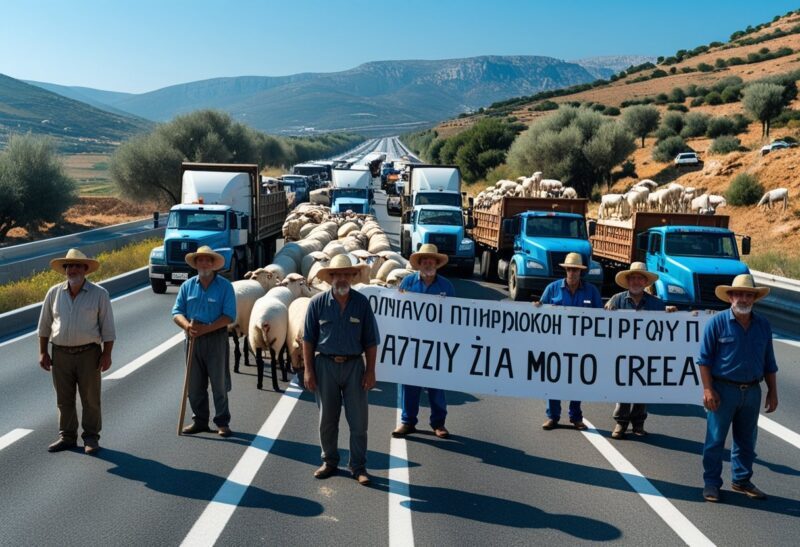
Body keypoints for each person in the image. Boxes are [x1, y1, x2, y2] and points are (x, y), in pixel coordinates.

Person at [698, 274, 778, 503]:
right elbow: (704, 360)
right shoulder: (717, 323)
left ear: (754, 298)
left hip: (752, 391)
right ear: (730, 297)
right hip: (723, 389)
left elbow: (769, 362)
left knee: (746, 440)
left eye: (748, 295)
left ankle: (741, 480)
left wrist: (773, 391)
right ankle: (711, 483)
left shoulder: (763, 325)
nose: (743, 298)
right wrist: (708, 389)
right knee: (715, 439)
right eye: (739, 294)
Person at [303, 254, 379, 486]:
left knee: (358, 421)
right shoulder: (317, 303)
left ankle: (358, 466)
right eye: (338, 274)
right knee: (327, 418)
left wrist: (371, 371)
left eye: (347, 274)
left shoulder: (362, 303)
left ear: (352, 277)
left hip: (354, 366)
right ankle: (329, 461)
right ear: (331, 278)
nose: (342, 279)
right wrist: (308, 370)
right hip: (325, 365)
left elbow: (371, 340)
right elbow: (308, 339)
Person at [38, 248, 115, 455]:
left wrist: (106, 354)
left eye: (76, 266)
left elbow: (108, 329)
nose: (72, 269)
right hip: (60, 353)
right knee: (64, 398)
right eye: (68, 266)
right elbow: (45, 325)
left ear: (85, 269)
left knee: (90, 398)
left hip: (88, 353)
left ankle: (91, 438)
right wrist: (43, 352)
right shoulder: (54, 293)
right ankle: (67, 437)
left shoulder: (100, 294)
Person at [605, 262, 676, 439]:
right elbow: (603, 319)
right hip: (623, 354)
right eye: (633, 278)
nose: (636, 282)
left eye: (640, 278)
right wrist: (607, 310)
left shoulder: (656, 303)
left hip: (646, 355)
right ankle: (620, 423)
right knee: (623, 389)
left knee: (643, 390)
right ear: (628, 281)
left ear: (645, 282)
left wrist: (675, 314)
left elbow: (668, 322)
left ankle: (638, 424)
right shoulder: (617, 299)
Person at [391, 244, 455, 439]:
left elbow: (456, 316)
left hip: (436, 344)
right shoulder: (407, 284)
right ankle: (408, 422)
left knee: (436, 384)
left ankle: (438, 423)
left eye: (432, 261)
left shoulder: (446, 286)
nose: (428, 264)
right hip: (411, 343)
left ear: (437, 263)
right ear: (419, 264)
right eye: (424, 261)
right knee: (409, 384)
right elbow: (397, 310)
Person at [172, 246, 237, 438]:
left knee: (219, 382)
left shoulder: (225, 286)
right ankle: (199, 421)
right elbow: (176, 312)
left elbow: (229, 316)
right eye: (200, 260)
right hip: (192, 339)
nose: (204, 263)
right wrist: (187, 327)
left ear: (214, 264)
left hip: (215, 338)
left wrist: (206, 329)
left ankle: (222, 422)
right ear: (196, 263)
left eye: (208, 260)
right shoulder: (187, 286)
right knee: (194, 384)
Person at [536, 252, 602, 431]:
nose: (572, 273)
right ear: (565, 270)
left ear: (581, 272)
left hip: (582, 346)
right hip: (556, 344)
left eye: (576, 270)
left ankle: (576, 416)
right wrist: (536, 308)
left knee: (577, 381)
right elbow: (540, 313)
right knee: (553, 379)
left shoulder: (592, 291)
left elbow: (601, 318)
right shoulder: (552, 289)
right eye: (569, 269)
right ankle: (553, 416)